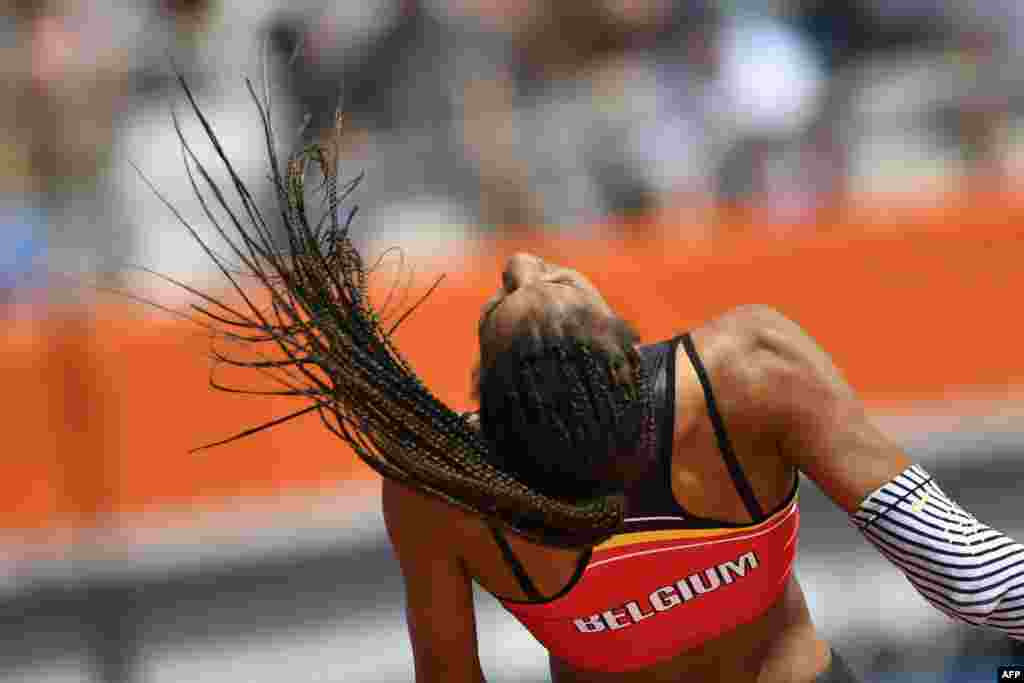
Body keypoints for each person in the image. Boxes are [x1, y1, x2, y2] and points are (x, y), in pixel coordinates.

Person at [153, 77, 1023, 683]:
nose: (523, 259)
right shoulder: (750, 372)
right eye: (539, 288)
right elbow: (971, 577)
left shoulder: (445, 489)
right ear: (622, 355)